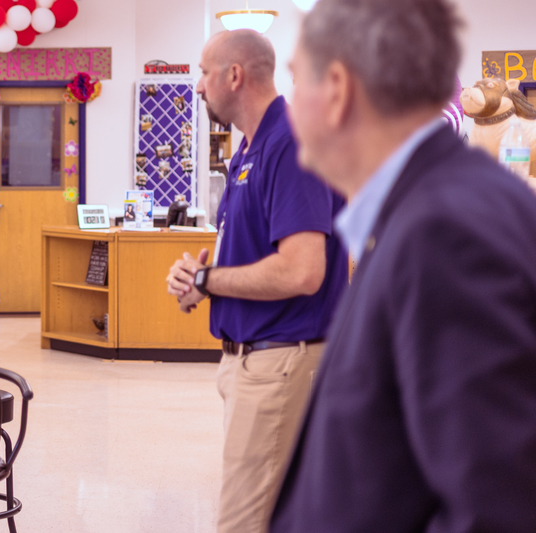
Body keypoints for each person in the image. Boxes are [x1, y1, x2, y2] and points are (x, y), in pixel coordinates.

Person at [270, 0, 536, 531]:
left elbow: (494, 505)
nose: (289, 106)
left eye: (295, 80)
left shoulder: (446, 233)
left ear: (339, 89)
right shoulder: (426, 208)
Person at [166, 30, 347, 533]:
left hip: (281, 361)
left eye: (203, 72)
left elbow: (302, 271)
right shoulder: (250, 148)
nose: (198, 86)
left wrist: (210, 277)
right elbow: (240, 255)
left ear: (234, 75)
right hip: (248, 361)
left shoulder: (290, 142)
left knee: (242, 522)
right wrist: (199, 282)